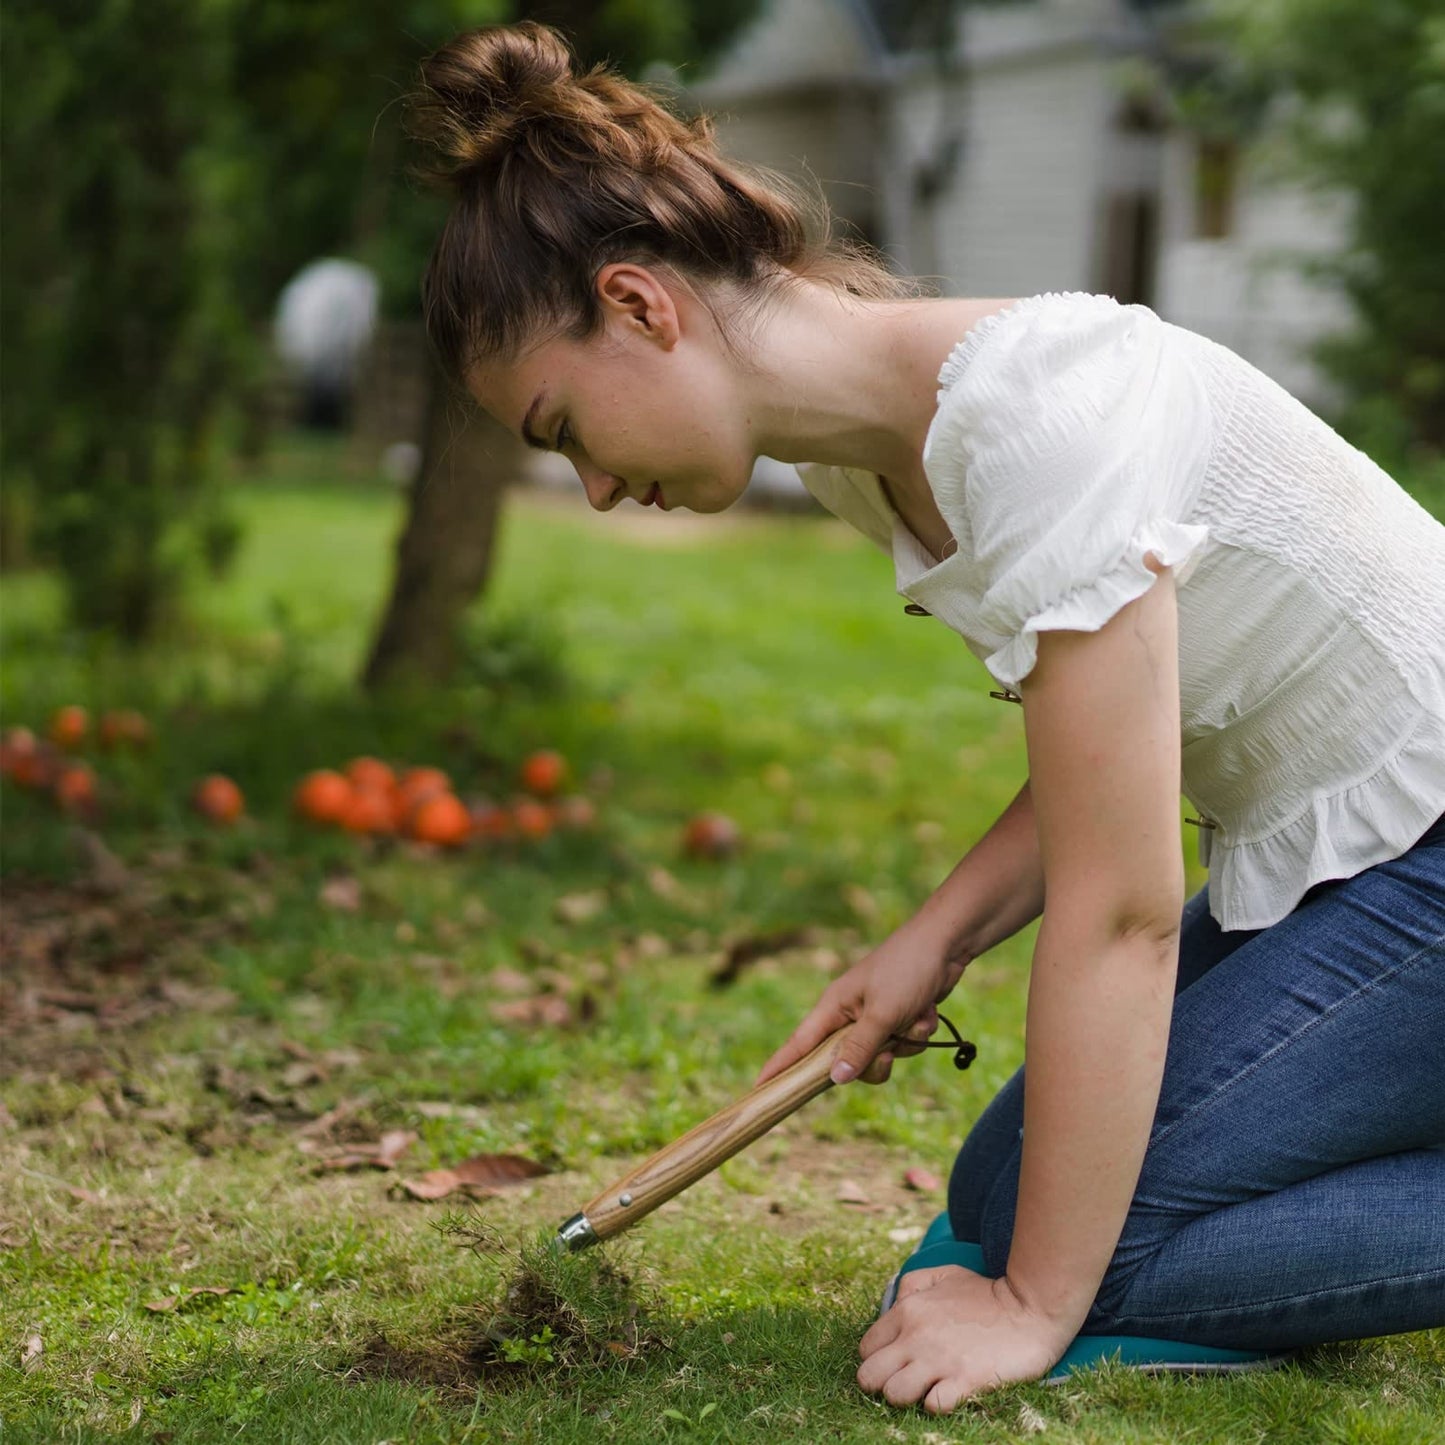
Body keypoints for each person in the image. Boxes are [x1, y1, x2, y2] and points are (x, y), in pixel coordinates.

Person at [407, 20, 1445, 1414]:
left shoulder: (1039, 422)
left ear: (642, 306)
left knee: (1101, 1263)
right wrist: (929, 939)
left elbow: (1124, 906)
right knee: (999, 1190)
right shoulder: (870, 456)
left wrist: (1031, 1307)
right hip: (1361, 857)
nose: (591, 486)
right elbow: (1110, 745)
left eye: (565, 429)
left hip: (1424, 860)